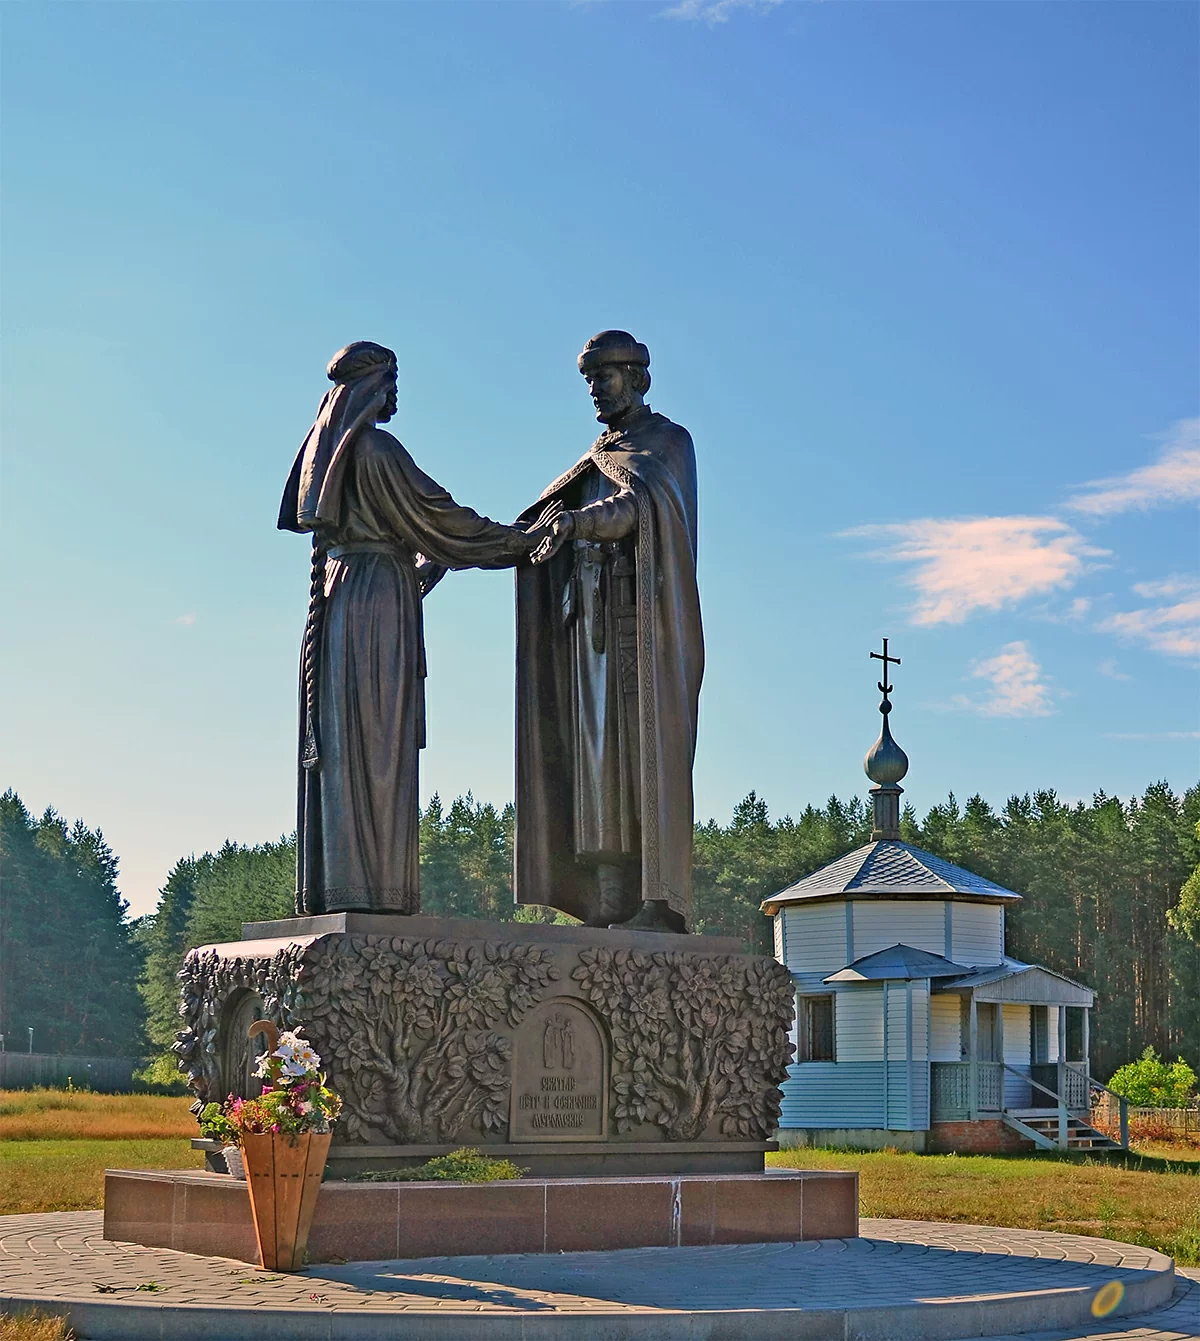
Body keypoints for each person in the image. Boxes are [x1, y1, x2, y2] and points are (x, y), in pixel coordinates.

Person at [278, 341, 534, 915]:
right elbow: (441, 518)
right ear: (370, 386)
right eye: (391, 379)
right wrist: (518, 543)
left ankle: (340, 890)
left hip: (342, 604)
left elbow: (423, 535)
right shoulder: (374, 450)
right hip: (375, 612)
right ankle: (374, 896)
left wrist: (429, 559)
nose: (396, 391)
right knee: (375, 750)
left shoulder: (338, 455)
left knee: (351, 748)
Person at [514, 331, 703, 933]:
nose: (596, 389)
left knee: (638, 755)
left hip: (636, 629)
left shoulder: (665, 444)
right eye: (590, 380)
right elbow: (530, 528)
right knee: (594, 763)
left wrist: (576, 524)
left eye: (607, 377)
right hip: (584, 635)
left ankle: (655, 898)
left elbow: (637, 508)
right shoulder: (593, 462)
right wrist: (451, 552)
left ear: (639, 379)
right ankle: (608, 893)